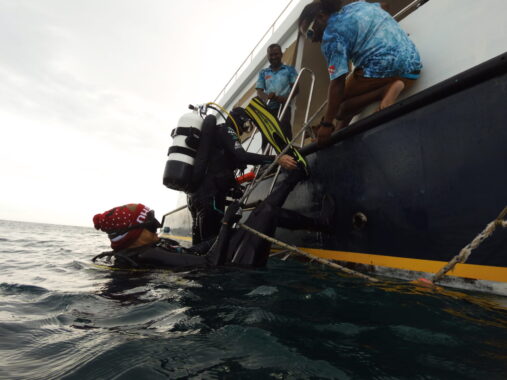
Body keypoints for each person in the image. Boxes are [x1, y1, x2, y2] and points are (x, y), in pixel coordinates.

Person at [92, 169, 334, 269]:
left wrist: (225, 232)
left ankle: (320, 223)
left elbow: (197, 251)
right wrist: (227, 224)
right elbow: (209, 264)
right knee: (266, 213)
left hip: (225, 267)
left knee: (259, 218)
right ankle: (293, 178)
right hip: (233, 275)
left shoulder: (147, 248)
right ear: (132, 234)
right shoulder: (146, 254)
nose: (157, 227)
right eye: (150, 224)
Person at [299, 0, 422, 145]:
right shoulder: (357, 6)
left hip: (386, 68)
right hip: (413, 66)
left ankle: (384, 91)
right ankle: (338, 131)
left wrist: (327, 124)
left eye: (309, 33)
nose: (312, 40)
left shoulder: (331, 36)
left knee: (338, 109)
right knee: (345, 93)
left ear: (321, 16)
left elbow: (337, 83)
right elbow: (384, 5)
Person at [187, 107, 297, 245]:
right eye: (246, 125)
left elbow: (222, 162)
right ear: (242, 121)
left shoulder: (216, 134)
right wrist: (276, 158)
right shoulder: (227, 129)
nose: (246, 129)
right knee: (210, 245)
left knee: (198, 246)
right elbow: (242, 156)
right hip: (211, 196)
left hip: (196, 196)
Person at [256, 43, 299, 151]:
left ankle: (288, 154)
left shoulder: (289, 70)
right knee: (266, 133)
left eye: (276, 54)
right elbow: (259, 91)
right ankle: (266, 161)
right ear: (268, 56)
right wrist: (267, 98)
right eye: (271, 55)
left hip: (284, 105)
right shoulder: (263, 73)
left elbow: (296, 88)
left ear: (281, 54)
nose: (273, 57)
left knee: (284, 129)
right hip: (268, 107)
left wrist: (285, 98)